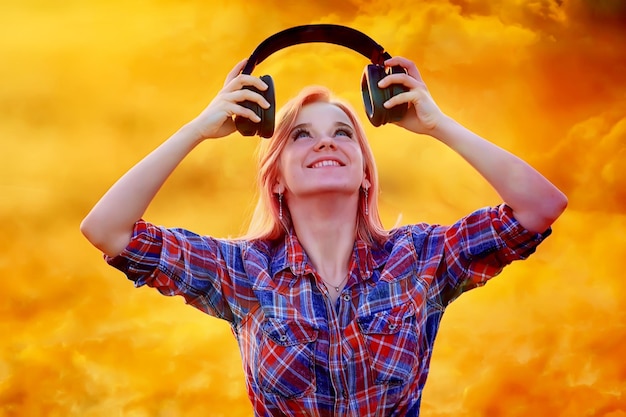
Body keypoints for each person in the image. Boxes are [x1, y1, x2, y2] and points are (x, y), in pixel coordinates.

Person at [80, 56, 567, 416]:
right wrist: (199, 128)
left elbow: (540, 208)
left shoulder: (419, 258)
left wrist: (439, 125)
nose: (326, 141)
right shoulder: (242, 273)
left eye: (343, 132)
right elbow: (107, 229)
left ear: (365, 176)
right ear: (276, 178)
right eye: (301, 135)